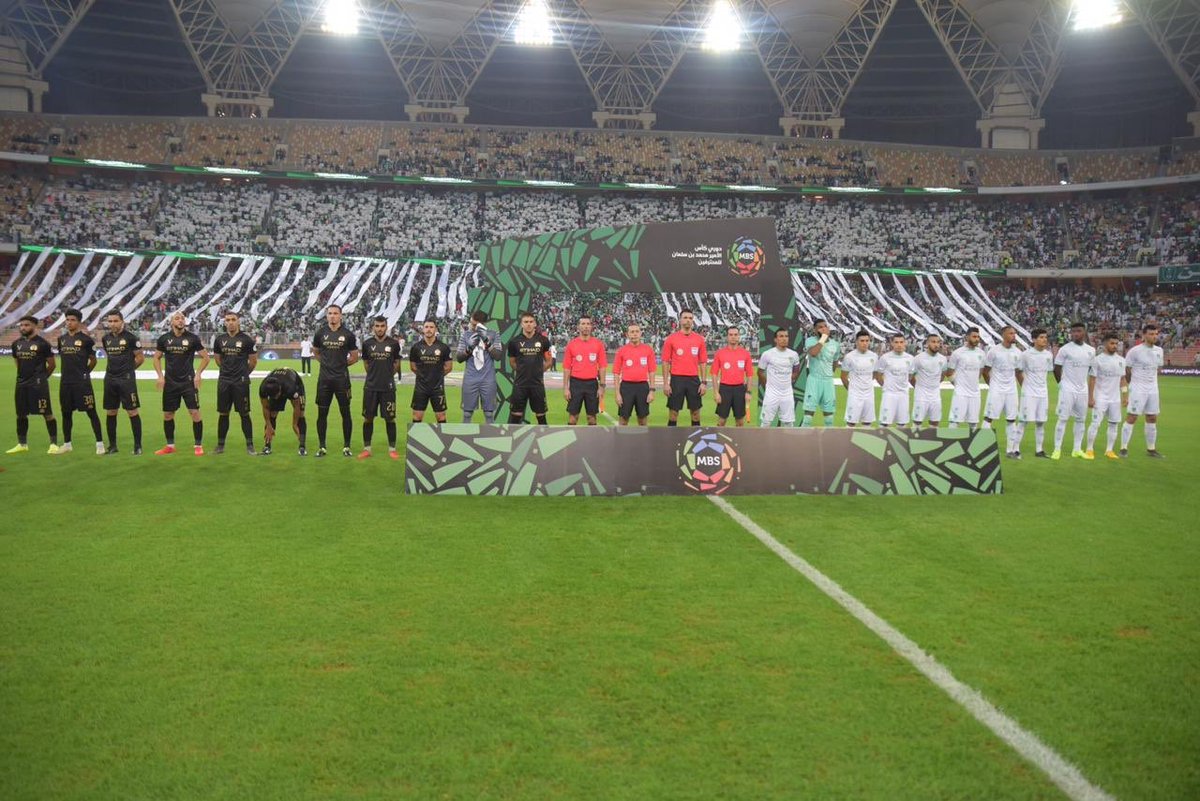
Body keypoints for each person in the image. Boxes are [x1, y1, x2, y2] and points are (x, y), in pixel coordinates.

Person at [153, 311, 209, 456]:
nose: (180, 320)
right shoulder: (164, 339)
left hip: (188, 382)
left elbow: (206, 357)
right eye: (177, 318)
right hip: (170, 383)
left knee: (195, 413)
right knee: (168, 414)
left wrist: (198, 374)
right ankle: (170, 446)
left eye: (182, 318)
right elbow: (156, 358)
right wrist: (160, 376)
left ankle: (198, 445)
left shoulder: (192, 338)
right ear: (171, 322)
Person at [312, 304, 359, 457]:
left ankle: (347, 446)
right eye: (330, 313)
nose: (332, 316)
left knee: (345, 413)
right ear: (327, 316)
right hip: (324, 380)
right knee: (322, 414)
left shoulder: (348, 335)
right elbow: (316, 352)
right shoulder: (320, 333)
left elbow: (354, 357)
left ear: (341, 316)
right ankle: (322, 447)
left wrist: (340, 366)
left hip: (342, 380)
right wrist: (327, 364)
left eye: (335, 313)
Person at [7, 315, 58, 454]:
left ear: (35, 326)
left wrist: (41, 378)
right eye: (21, 325)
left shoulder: (43, 344)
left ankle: (53, 444)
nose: (23, 328)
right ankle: (22, 444)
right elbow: (17, 362)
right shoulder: (16, 343)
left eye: (26, 325)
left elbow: (52, 365)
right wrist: (23, 376)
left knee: (47, 413)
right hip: (21, 384)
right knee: (21, 414)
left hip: (38, 385)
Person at [55, 307, 104, 455]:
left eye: (72, 320)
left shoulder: (86, 340)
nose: (69, 323)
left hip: (82, 384)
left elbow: (93, 360)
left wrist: (84, 373)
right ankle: (67, 444)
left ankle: (100, 444)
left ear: (79, 322)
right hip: (65, 383)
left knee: (91, 412)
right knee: (66, 413)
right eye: (67, 320)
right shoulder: (61, 340)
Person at [212, 310, 257, 455]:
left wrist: (243, 373)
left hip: (240, 382)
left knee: (244, 413)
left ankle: (250, 445)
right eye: (227, 320)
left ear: (238, 321)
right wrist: (227, 371)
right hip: (224, 381)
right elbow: (218, 359)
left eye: (233, 319)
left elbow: (253, 361)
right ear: (224, 322)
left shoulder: (247, 339)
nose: (230, 322)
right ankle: (220, 446)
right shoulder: (219, 340)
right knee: (223, 413)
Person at [100, 309, 144, 455]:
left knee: (132, 411)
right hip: (110, 379)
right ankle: (113, 446)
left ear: (122, 321)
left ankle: (137, 446)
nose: (112, 324)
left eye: (115, 321)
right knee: (111, 411)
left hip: (126, 380)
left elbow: (139, 358)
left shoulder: (131, 338)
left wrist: (128, 371)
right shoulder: (106, 339)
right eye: (110, 321)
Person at [1051, 321, 1095, 460]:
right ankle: (1057, 449)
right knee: (1063, 419)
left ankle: (1077, 449)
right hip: (1067, 390)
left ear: (1084, 332)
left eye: (1078, 331)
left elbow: (1091, 371)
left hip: (1082, 390)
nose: (1075, 334)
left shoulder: (1091, 350)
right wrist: (1061, 385)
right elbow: (1056, 368)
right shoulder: (1065, 349)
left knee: (1081, 420)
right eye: (1073, 331)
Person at [359, 316, 402, 458]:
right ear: (373, 327)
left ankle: (392, 450)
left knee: (390, 418)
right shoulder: (367, 344)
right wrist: (373, 375)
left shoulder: (394, 344)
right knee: (368, 418)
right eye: (377, 326)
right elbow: (366, 364)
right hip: (371, 387)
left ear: (386, 327)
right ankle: (367, 449)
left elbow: (396, 363)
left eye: (382, 326)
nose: (379, 328)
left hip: (388, 388)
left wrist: (388, 375)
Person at [1121, 322, 1165, 458]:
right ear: (1144, 335)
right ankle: (1123, 448)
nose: (1154, 337)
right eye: (1151, 334)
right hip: (1138, 388)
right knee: (1132, 417)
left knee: (1152, 417)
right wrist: (1129, 387)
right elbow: (1126, 369)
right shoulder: (1135, 351)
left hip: (1153, 389)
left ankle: (1151, 449)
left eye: (1156, 334)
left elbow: (1158, 368)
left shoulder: (1159, 351)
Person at [661, 309, 707, 427]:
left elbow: (703, 362)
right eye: (685, 318)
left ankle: (696, 441)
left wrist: (703, 382)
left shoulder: (699, 339)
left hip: (693, 380)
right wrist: (666, 383)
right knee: (673, 413)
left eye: (690, 318)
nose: (688, 320)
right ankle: (670, 440)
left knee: (696, 413)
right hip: (677, 380)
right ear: (680, 320)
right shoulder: (671, 339)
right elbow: (665, 362)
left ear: (693, 321)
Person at [456, 310, 503, 424]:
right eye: (471, 323)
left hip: (488, 377)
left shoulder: (493, 334)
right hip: (470, 377)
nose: (471, 326)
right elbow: (459, 358)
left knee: (489, 413)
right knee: (467, 413)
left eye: (474, 325)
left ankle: (490, 439)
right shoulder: (465, 335)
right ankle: (465, 437)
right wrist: (468, 349)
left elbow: (498, 356)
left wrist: (487, 341)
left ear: (482, 324)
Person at [1085, 333, 1126, 460]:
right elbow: (1092, 379)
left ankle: (1109, 450)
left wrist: (1125, 395)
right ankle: (1089, 449)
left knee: (1114, 424)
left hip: (1115, 398)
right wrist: (1090, 398)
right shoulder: (1098, 360)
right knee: (1095, 423)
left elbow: (1123, 379)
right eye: (1112, 343)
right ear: (1104, 344)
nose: (1115, 346)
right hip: (1100, 397)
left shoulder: (1121, 360)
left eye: (1116, 344)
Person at [1013, 329, 1054, 457]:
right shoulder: (1026, 355)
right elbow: (1018, 371)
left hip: (1043, 393)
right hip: (1029, 392)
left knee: (1041, 422)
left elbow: (1047, 372)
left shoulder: (1048, 355)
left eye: (1045, 337)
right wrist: (1025, 386)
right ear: (1034, 339)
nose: (1044, 340)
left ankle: (1039, 450)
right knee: (1023, 421)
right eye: (1041, 337)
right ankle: (1015, 449)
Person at [506, 312, 552, 424]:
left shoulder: (543, 341)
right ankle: (512, 440)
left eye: (531, 322)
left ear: (535, 324)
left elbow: (549, 361)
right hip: (520, 384)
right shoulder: (514, 342)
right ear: (521, 324)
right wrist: (523, 372)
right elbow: (512, 362)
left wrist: (538, 372)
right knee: (515, 416)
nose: (529, 324)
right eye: (526, 322)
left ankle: (543, 440)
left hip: (537, 384)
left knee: (541, 416)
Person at [983, 325, 1022, 456]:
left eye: (1014, 333)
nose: (1014, 336)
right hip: (997, 390)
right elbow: (985, 371)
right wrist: (993, 385)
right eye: (1011, 333)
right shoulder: (993, 351)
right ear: (1003, 335)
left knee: (1011, 419)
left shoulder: (1017, 352)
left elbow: (1018, 373)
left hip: (1011, 390)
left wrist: (1024, 388)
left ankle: (1010, 450)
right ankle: (984, 448)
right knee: (989, 418)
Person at [563, 315, 607, 426]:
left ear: (591, 326)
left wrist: (602, 387)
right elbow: (567, 368)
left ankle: (591, 442)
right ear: (578, 326)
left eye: (588, 324)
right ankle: (572, 442)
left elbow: (602, 366)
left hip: (592, 383)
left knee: (591, 418)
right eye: (583, 324)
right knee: (573, 417)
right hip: (575, 383)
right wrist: (565, 388)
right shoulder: (571, 344)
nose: (585, 326)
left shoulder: (598, 344)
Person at [409, 320, 453, 424]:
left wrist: (437, 376)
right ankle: (416, 440)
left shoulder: (443, 347)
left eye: (431, 327)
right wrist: (423, 376)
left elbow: (449, 367)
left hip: (437, 387)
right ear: (423, 329)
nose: (429, 329)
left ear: (436, 329)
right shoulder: (416, 347)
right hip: (421, 387)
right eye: (426, 327)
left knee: (441, 416)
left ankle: (443, 440)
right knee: (417, 416)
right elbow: (413, 367)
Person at [613, 323, 656, 426]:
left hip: (642, 387)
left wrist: (652, 391)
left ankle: (643, 441)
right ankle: (622, 441)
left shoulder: (648, 350)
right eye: (632, 332)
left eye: (637, 331)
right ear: (627, 334)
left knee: (642, 419)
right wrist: (617, 394)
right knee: (623, 419)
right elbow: (616, 373)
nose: (635, 334)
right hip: (626, 387)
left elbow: (652, 371)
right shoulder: (621, 351)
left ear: (641, 333)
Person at [258, 367, 307, 456]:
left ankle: (302, 446)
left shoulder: (291, 387)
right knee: (272, 413)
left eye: (277, 395)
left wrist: (294, 424)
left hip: (296, 383)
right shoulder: (263, 388)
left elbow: (297, 406)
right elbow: (265, 407)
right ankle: (267, 446)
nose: (276, 398)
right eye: (273, 396)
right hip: (280, 385)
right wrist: (268, 425)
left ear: (280, 389)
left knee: (301, 414)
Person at [757, 328, 801, 427]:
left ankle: (788, 443)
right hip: (771, 393)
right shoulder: (767, 354)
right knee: (766, 422)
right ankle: (763, 442)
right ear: (775, 339)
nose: (784, 339)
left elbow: (796, 371)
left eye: (786, 336)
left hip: (787, 393)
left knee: (789, 423)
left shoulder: (793, 355)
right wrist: (767, 386)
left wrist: (787, 381)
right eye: (781, 336)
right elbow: (760, 372)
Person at [801, 320, 840, 428]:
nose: (823, 329)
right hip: (814, 380)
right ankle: (802, 442)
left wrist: (828, 374)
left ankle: (829, 442)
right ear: (815, 330)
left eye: (825, 326)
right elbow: (813, 353)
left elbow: (835, 362)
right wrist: (823, 338)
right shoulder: (810, 341)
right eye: (820, 327)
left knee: (829, 418)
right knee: (808, 417)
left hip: (828, 381)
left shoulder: (835, 344)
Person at [713, 326, 753, 427]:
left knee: (740, 422)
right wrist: (716, 392)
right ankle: (718, 442)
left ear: (739, 336)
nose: (733, 337)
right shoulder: (719, 353)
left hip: (739, 389)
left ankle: (739, 442)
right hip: (724, 389)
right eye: (731, 335)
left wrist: (748, 392)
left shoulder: (745, 354)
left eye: (735, 335)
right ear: (727, 337)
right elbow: (714, 374)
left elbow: (749, 375)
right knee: (721, 421)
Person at [947, 327, 986, 430]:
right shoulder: (957, 353)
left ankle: (972, 446)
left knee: (973, 423)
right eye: (974, 336)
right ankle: (950, 444)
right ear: (967, 337)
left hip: (975, 393)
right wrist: (957, 385)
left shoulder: (981, 354)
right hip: (961, 393)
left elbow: (980, 372)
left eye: (978, 337)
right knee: (954, 421)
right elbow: (949, 372)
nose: (976, 339)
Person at [875, 333, 914, 428]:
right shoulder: (885, 358)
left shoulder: (910, 358)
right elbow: (878, 375)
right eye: (896, 342)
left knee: (902, 424)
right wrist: (885, 387)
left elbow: (910, 375)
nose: (899, 345)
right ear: (892, 343)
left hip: (903, 394)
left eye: (901, 342)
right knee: (884, 423)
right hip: (889, 394)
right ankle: (882, 441)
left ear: (905, 343)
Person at [841, 331, 878, 428]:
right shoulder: (849, 357)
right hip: (855, 394)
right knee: (851, 422)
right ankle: (846, 443)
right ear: (856, 342)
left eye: (867, 340)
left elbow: (874, 374)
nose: (865, 343)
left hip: (869, 393)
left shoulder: (874, 356)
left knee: (867, 422)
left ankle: (864, 443)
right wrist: (852, 390)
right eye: (862, 341)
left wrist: (866, 383)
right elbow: (843, 376)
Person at [910, 333, 947, 430]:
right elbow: (911, 376)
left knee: (935, 422)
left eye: (938, 342)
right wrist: (919, 387)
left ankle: (931, 442)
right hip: (921, 395)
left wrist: (934, 385)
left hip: (935, 395)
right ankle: (915, 443)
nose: (936, 344)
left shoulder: (942, 359)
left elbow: (942, 375)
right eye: (933, 342)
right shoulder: (918, 358)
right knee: (917, 422)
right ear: (927, 343)